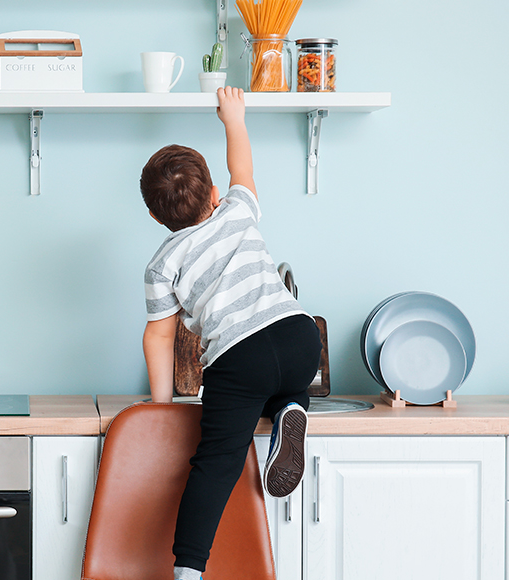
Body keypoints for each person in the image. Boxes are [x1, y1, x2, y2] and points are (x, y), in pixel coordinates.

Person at [140, 86, 323, 580]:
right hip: (301, 338)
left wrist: (161, 408)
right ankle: (291, 407)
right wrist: (233, 118)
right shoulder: (236, 211)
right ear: (215, 194)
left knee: (217, 462)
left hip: (239, 359)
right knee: (284, 382)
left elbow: (159, 336)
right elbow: (243, 167)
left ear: (156, 217)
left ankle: (188, 570)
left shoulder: (163, 263)